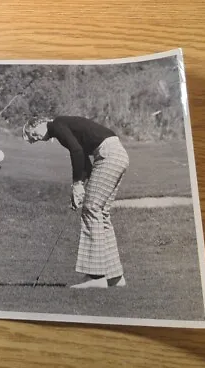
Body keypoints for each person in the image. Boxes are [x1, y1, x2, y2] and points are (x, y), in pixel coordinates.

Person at [23, 116, 129, 288]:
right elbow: (85, 163)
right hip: (117, 154)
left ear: (38, 123)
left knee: (91, 209)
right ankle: (114, 277)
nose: (34, 139)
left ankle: (96, 277)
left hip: (108, 155)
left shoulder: (56, 125)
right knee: (100, 213)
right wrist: (79, 189)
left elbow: (76, 151)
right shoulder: (61, 127)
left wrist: (77, 185)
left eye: (32, 133)